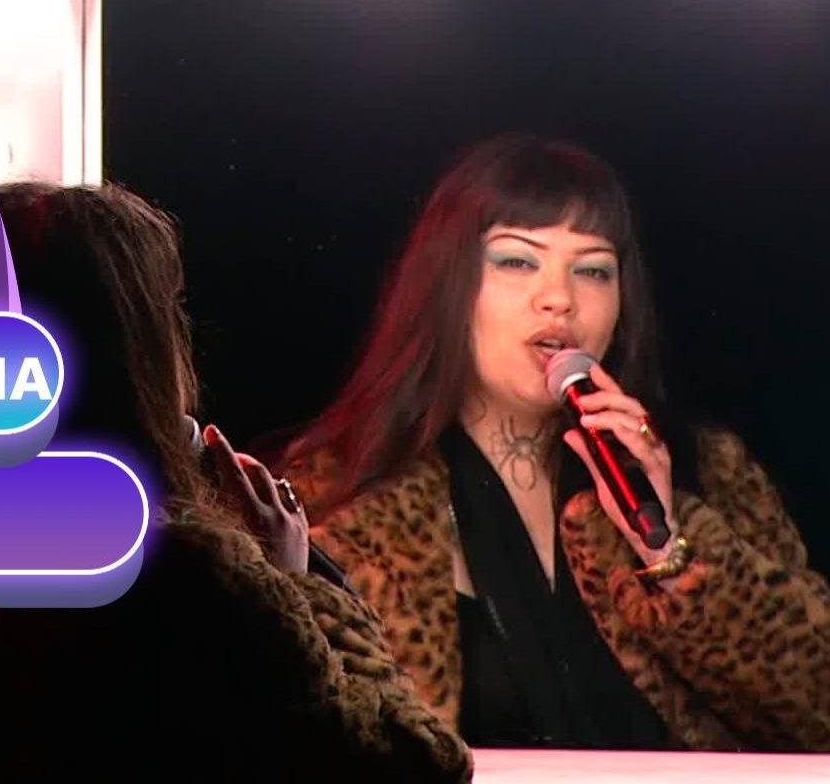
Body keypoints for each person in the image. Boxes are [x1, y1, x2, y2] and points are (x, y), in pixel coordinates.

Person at [284, 134, 830, 751]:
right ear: (449, 284)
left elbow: (817, 707)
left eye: (593, 270)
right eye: (518, 261)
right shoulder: (331, 500)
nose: (560, 300)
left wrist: (669, 549)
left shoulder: (710, 472)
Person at [0, 182, 473, 782]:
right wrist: (296, 588)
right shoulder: (185, 574)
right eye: (168, 310)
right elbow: (420, 766)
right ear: (133, 347)